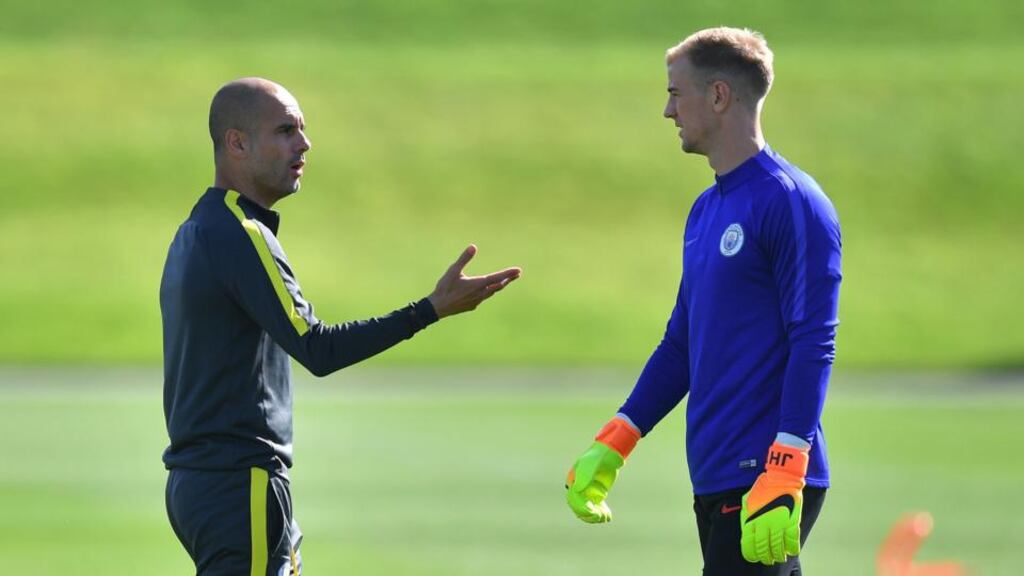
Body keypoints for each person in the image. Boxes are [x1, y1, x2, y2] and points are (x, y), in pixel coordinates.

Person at [160, 77, 521, 576]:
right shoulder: (239, 234)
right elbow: (318, 350)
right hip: (237, 484)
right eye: (285, 130)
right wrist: (429, 310)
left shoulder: (196, 229)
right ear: (236, 143)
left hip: (205, 483)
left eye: (303, 129)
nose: (304, 144)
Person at [565, 28, 842, 575]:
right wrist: (619, 436)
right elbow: (682, 344)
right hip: (716, 473)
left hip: (766, 475)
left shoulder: (791, 202)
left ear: (718, 96)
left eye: (675, 93)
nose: (668, 111)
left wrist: (786, 463)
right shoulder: (704, 211)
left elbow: (814, 339)